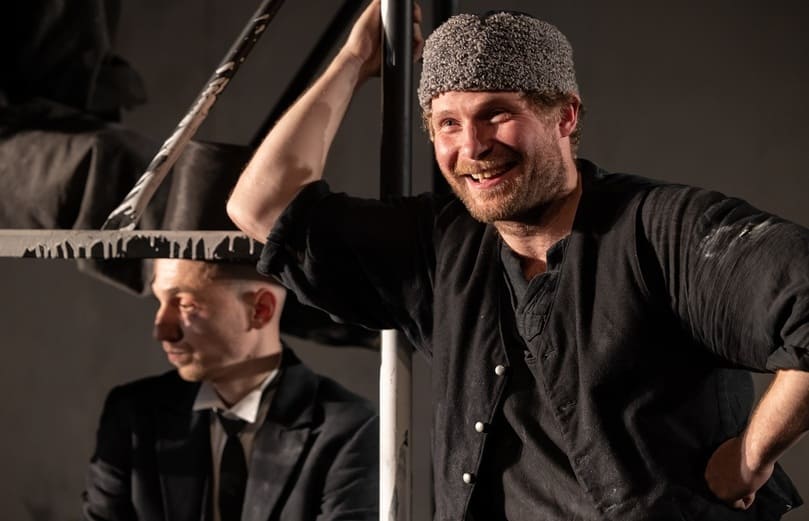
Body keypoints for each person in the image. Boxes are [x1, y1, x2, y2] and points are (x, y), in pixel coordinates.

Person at [226, 1, 809, 520]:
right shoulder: (442, 248)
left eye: (497, 114)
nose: (473, 146)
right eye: (448, 124)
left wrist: (750, 458)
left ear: (566, 117)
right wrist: (355, 60)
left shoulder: (662, 231)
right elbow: (260, 207)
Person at [82, 258, 379, 521]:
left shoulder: (350, 430)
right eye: (159, 301)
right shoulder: (132, 416)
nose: (161, 330)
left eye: (185, 305)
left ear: (260, 309)